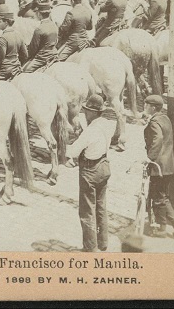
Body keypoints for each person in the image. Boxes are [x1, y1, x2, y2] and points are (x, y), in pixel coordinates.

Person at [65, 94, 115, 252]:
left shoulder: (90, 131)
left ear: (93, 112)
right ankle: (103, 242)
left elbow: (73, 152)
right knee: (101, 207)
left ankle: (89, 247)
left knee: (87, 211)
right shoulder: (108, 124)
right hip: (104, 166)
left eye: (86, 111)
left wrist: (63, 144)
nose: (85, 114)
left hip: (90, 170)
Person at [142, 95, 174, 240]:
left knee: (159, 198)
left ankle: (164, 229)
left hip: (158, 166)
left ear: (153, 107)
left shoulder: (154, 122)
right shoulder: (164, 118)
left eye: (146, 105)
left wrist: (149, 158)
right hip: (168, 164)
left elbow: (158, 138)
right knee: (163, 197)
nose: (144, 107)